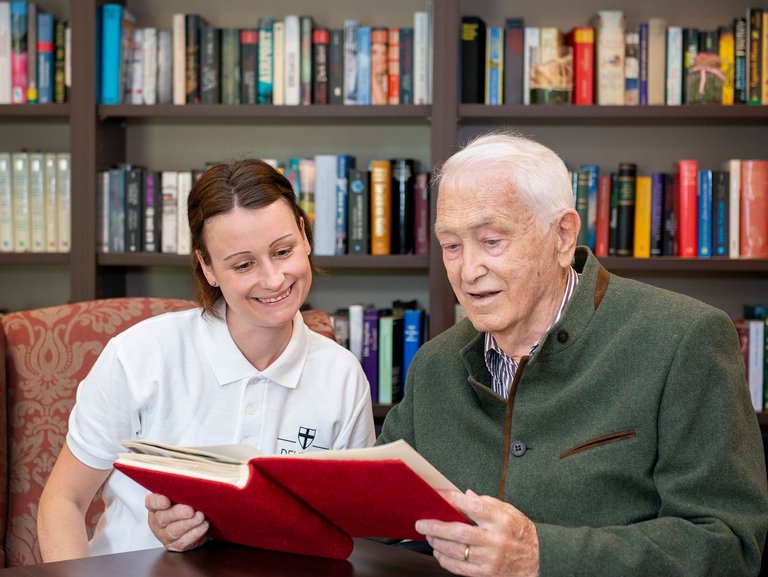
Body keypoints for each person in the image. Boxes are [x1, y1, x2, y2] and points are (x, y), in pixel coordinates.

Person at [376, 131, 768, 576]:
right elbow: (372, 522)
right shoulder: (434, 364)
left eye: (492, 241)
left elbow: (728, 547)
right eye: (451, 245)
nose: (468, 271)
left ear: (562, 236)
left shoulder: (685, 339)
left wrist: (543, 555)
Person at [37, 159, 375, 561]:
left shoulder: (342, 376)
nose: (273, 279)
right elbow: (63, 500)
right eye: (243, 264)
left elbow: (345, 534)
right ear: (207, 267)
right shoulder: (139, 356)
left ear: (304, 236)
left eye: (283, 251)